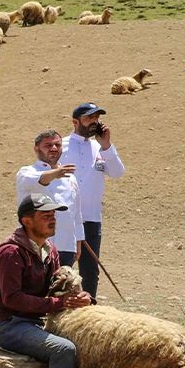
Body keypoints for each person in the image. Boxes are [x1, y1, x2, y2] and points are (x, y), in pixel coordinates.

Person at [0, 194, 136, 368]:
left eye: (53, 214)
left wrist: (79, 297)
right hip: (9, 325)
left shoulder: (49, 250)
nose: (52, 219)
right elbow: (12, 300)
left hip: (34, 322)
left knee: (98, 340)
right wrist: (59, 305)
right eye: (45, 215)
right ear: (26, 220)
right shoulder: (11, 252)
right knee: (63, 349)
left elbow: (53, 289)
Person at [60, 102, 125, 298]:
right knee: (61, 269)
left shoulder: (101, 148)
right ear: (75, 121)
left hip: (91, 219)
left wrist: (107, 146)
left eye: (96, 118)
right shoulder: (59, 145)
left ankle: (88, 316)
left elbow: (117, 172)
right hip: (64, 219)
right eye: (89, 118)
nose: (94, 122)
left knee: (90, 272)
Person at [15, 130, 84, 266]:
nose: (53, 148)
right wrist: (56, 173)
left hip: (66, 245)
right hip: (36, 245)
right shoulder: (27, 172)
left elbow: (76, 214)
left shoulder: (70, 177)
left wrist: (78, 243)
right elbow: (41, 179)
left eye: (57, 145)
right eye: (48, 145)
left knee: (61, 286)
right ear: (36, 149)